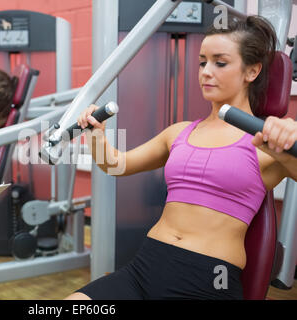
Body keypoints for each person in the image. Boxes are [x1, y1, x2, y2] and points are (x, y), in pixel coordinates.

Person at [67, 15, 297, 300]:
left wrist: (291, 139)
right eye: (203, 62)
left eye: (220, 62)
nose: (206, 72)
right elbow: (116, 165)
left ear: (252, 71)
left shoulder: (267, 141)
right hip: (145, 268)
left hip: (209, 280)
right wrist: (97, 135)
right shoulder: (179, 133)